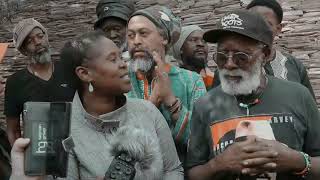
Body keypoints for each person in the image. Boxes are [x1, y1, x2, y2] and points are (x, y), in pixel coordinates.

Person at [186, 10, 320, 180]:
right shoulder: (204, 105)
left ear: (265, 55)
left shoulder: (299, 96)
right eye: (221, 57)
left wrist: (296, 161)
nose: (229, 65)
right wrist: (218, 165)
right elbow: (192, 173)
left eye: (241, 57)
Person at [59, 31, 183, 179]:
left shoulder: (147, 111)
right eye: (113, 59)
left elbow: (173, 169)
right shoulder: (65, 131)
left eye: (121, 57)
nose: (124, 64)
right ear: (85, 74)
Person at [126, 5, 207, 162]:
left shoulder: (191, 81)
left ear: (164, 38)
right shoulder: (121, 81)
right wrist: (154, 101)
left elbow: (202, 141)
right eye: (130, 35)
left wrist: (170, 99)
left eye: (143, 34)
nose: (136, 41)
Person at [4, 18, 75, 146]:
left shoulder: (69, 69)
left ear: (46, 38)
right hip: (39, 154)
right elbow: (13, 130)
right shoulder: (15, 82)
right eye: (29, 41)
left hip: (75, 149)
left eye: (40, 36)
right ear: (23, 50)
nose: (37, 42)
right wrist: (21, 158)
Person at [246, 0, 315, 99]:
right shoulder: (229, 66)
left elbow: (308, 109)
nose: (257, 28)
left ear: (278, 29)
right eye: (252, 22)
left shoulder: (294, 66)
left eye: (265, 23)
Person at [172, 25, 214, 90]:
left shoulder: (216, 81)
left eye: (204, 41)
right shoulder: (173, 82)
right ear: (181, 48)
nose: (200, 44)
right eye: (193, 40)